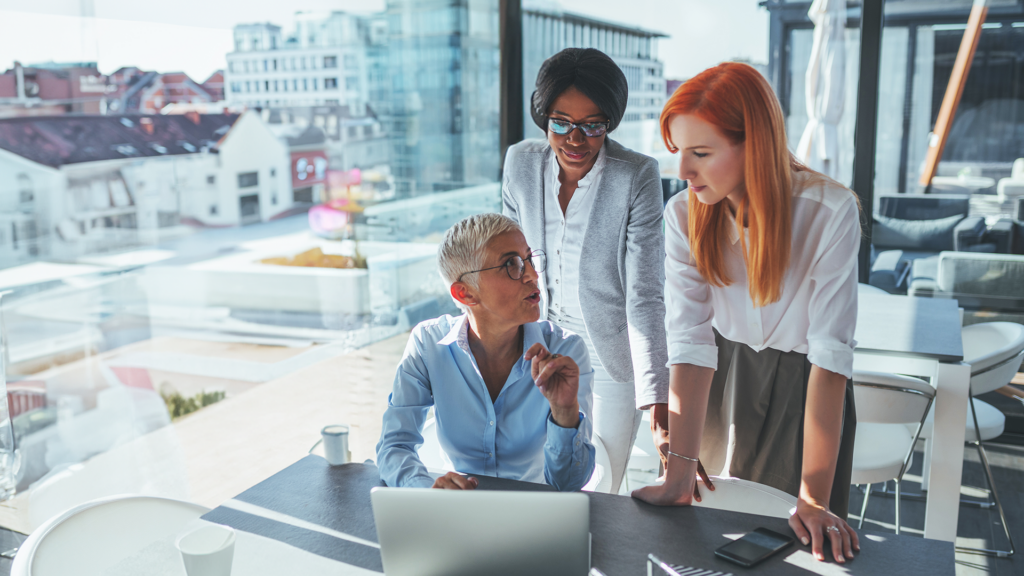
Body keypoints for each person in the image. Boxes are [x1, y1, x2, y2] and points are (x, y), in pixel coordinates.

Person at [631, 62, 861, 565]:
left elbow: (829, 356)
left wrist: (816, 499)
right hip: (719, 380)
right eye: (679, 153)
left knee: (795, 547)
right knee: (710, 541)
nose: (683, 173)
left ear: (752, 145)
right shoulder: (683, 216)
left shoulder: (830, 211)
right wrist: (677, 474)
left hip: (807, 388)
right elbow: (690, 342)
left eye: (701, 153)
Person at [502, 47, 670, 495]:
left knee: (603, 485)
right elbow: (508, 266)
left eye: (592, 125)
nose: (575, 139)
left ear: (609, 124)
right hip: (541, 347)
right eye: (561, 123)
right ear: (544, 118)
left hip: (612, 354)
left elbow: (646, 295)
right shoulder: (520, 163)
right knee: (539, 473)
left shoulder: (636, 175)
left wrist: (655, 395)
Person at [376, 213, 595, 491]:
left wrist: (565, 413)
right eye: (511, 264)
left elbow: (569, 485)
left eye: (528, 259)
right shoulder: (428, 344)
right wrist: (426, 492)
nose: (532, 274)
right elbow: (394, 445)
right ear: (465, 294)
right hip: (458, 516)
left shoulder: (564, 352)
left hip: (536, 517)